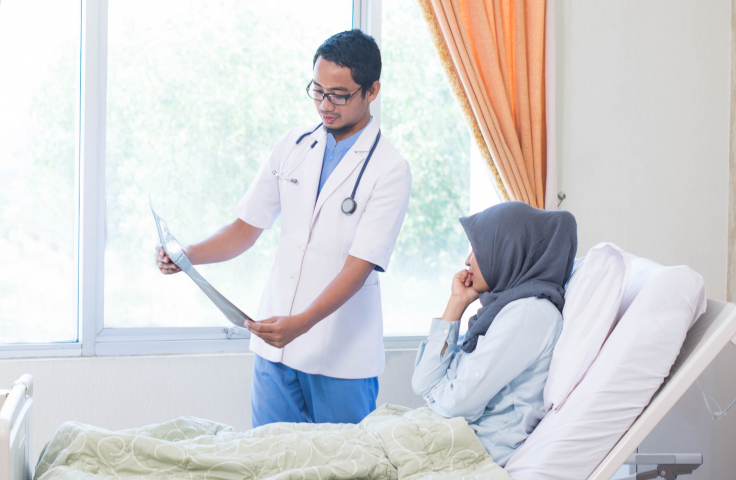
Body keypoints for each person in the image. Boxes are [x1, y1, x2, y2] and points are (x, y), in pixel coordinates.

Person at [156, 30, 412, 428]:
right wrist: (188, 254)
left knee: (340, 468)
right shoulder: (292, 146)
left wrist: (302, 324)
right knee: (269, 463)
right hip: (274, 348)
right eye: (317, 90)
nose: (325, 105)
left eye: (339, 95)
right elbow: (246, 228)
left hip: (340, 356)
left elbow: (359, 266)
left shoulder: (390, 169)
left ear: (372, 90)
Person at [412, 201, 577, 467]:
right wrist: (456, 304)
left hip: (473, 451)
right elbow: (423, 385)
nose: (467, 261)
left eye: (477, 249)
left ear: (508, 250)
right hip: (451, 438)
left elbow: (457, 405)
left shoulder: (530, 314)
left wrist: (436, 397)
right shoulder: (501, 311)